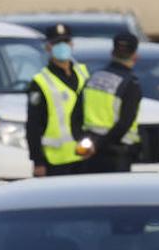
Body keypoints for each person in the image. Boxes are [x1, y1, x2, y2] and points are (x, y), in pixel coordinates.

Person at [27, 23, 93, 177]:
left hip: (86, 154)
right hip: (56, 160)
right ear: (48, 47)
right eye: (57, 43)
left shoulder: (84, 73)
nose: (62, 46)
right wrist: (38, 162)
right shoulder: (41, 82)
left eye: (65, 42)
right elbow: (33, 125)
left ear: (72, 44)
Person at [80, 32, 144, 174]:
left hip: (90, 149)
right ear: (135, 56)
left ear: (112, 52)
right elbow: (125, 122)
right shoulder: (130, 84)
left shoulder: (94, 77)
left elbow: (76, 112)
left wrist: (90, 142)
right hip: (116, 152)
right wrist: (100, 144)